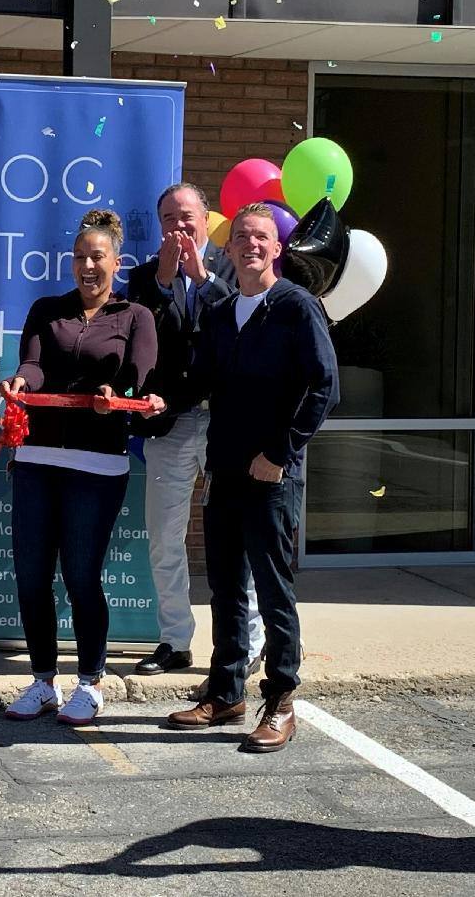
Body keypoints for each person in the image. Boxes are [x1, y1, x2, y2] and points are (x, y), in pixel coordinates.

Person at [167, 203, 337, 752]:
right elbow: (200, 382)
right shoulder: (221, 313)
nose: (250, 245)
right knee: (225, 589)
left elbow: (323, 389)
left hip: (271, 476)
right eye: (241, 237)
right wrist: (156, 402)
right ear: (230, 247)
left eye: (261, 237)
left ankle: (282, 700)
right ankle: (225, 693)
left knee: (272, 591)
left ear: (277, 247)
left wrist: (280, 453)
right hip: (225, 473)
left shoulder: (296, 307)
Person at [0, 209, 163, 726]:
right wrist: (22, 382)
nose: (87, 265)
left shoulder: (136, 316)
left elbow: (141, 377)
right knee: (29, 577)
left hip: (97, 464)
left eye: (97, 257)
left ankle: (90, 682)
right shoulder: (47, 310)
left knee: (81, 576)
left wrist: (119, 397)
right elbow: (32, 363)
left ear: (116, 262)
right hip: (36, 459)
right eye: (79, 257)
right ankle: (43, 680)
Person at [125, 182, 266, 678]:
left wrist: (200, 277)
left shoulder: (233, 268)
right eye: (168, 218)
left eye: (187, 217)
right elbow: (136, 335)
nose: (178, 227)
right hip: (171, 423)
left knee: (234, 534)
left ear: (208, 221)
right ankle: (173, 640)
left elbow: (237, 324)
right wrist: (163, 285)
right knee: (164, 536)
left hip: (225, 422)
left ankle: (249, 642)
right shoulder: (143, 278)